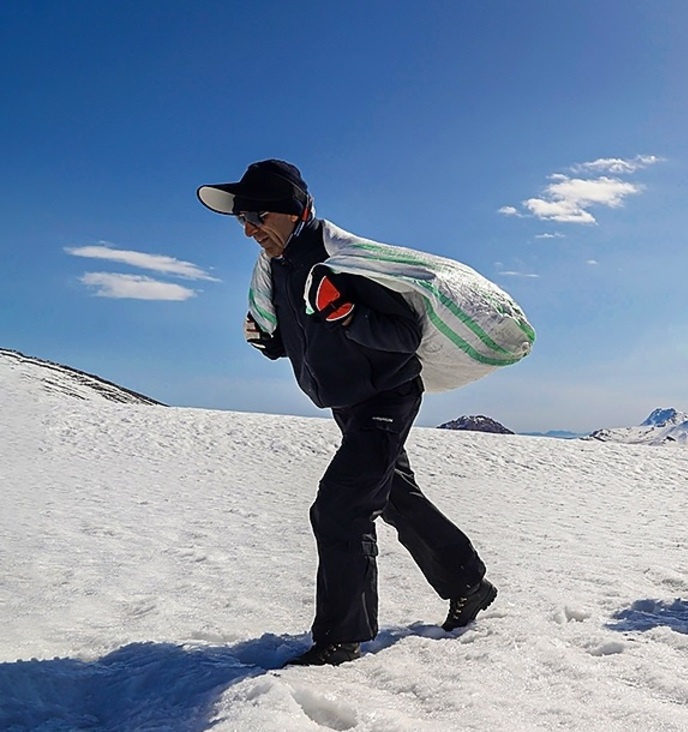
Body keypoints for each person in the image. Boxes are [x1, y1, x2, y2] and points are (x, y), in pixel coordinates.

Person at [197, 160, 496, 666]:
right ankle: (469, 582)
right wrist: (272, 343)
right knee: (395, 497)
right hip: (347, 400)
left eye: (256, 216)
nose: (248, 230)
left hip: (387, 394)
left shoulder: (343, 262)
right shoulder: (281, 266)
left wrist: (347, 312)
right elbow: (310, 336)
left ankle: (341, 639)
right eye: (241, 220)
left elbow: (402, 338)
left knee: (340, 507)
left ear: (292, 212)